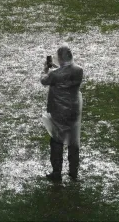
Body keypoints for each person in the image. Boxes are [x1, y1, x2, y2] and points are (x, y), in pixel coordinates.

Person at [40, 45, 83, 182]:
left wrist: (46, 69)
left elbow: (44, 80)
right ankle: (73, 171)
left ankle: (57, 172)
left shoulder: (54, 75)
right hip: (74, 110)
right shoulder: (79, 71)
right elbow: (66, 73)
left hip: (59, 111)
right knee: (73, 142)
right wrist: (56, 67)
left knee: (57, 141)